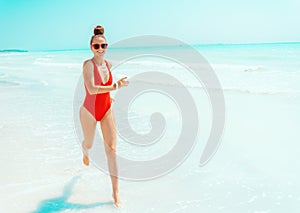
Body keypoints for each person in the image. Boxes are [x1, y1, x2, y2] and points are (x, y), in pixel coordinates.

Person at [79, 25, 128, 207]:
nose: (100, 49)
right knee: (90, 143)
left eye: (103, 46)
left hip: (106, 109)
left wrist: (110, 95)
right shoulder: (87, 65)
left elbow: (104, 90)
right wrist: (115, 87)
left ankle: (115, 194)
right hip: (89, 111)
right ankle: (84, 149)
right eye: (97, 46)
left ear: (107, 47)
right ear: (91, 48)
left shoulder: (109, 64)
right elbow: (91, 89)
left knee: (112, 151)